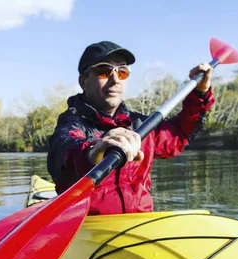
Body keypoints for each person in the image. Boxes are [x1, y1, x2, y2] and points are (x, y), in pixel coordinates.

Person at [47, 41, 215, 215]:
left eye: (122, 72)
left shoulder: (141, 126)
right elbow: (65, 149)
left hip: (137, 227)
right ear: (83, 81)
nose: (115, 79)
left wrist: (200, 93)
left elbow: (179, 134)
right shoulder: (71, 123)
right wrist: (96, 150)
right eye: (103, 71)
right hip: (88, 229)